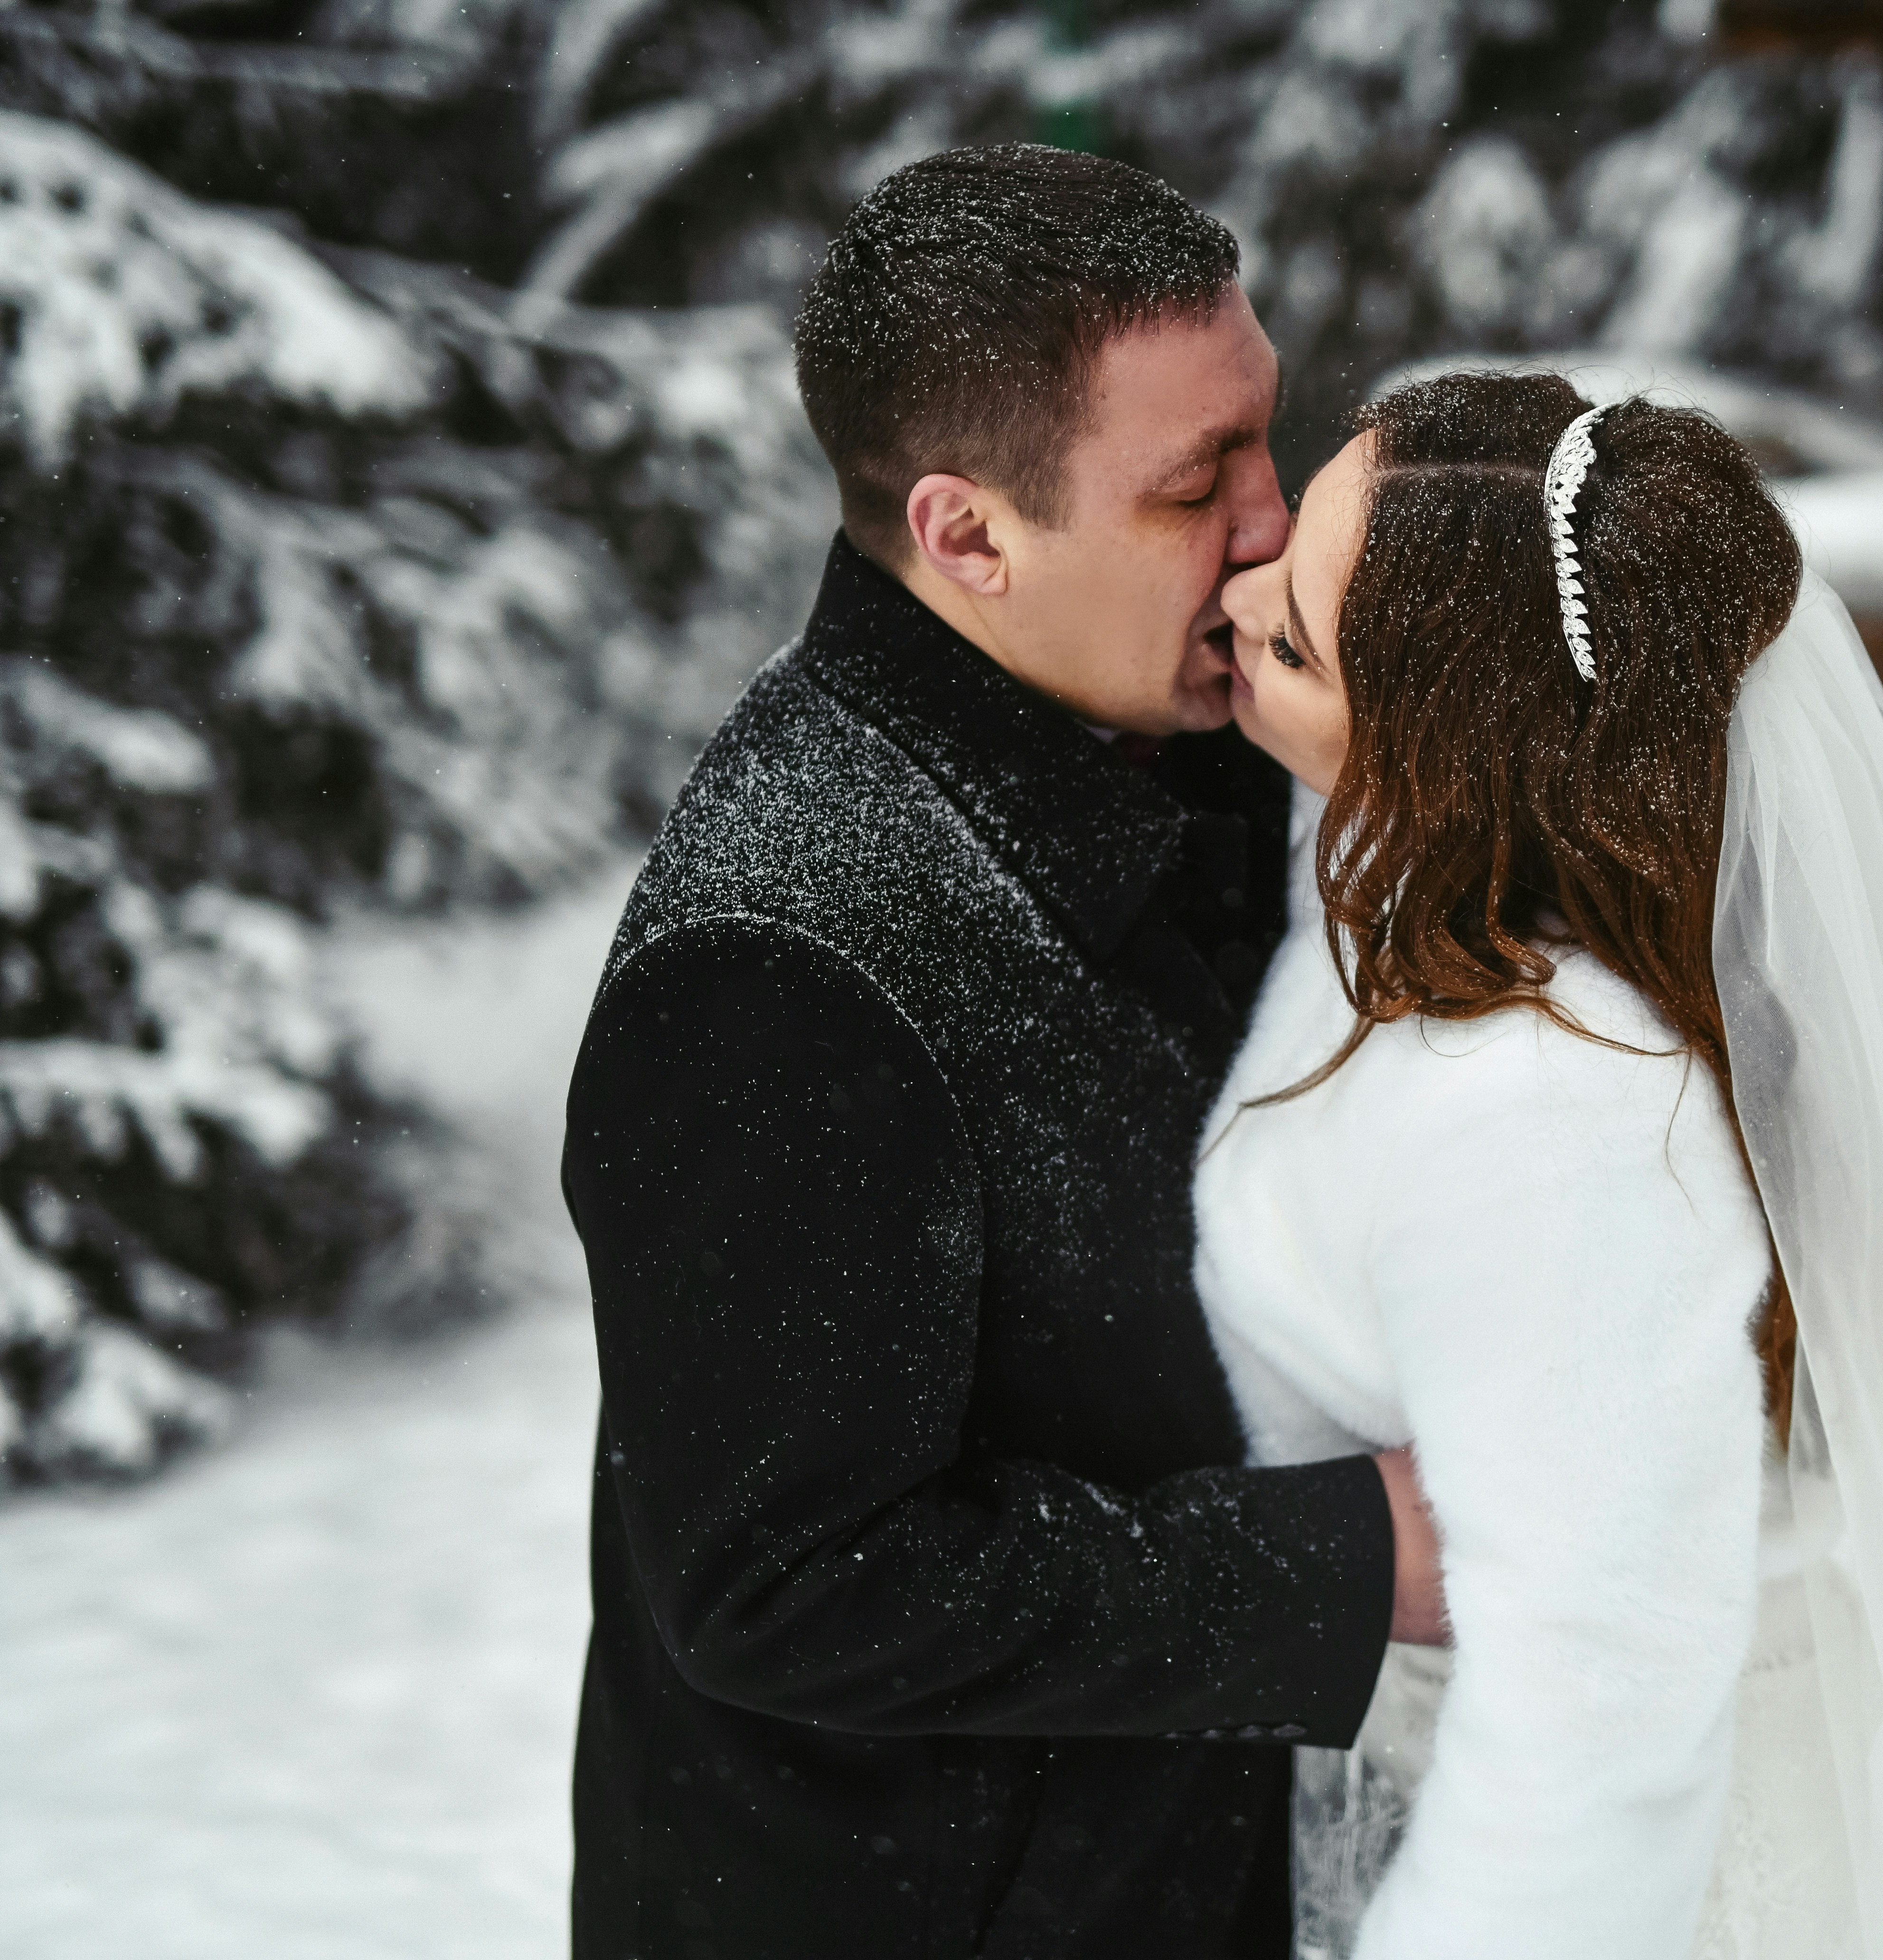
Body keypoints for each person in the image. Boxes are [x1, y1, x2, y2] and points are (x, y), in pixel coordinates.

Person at [558, 145, 1446, 1960]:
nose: (1273, 524)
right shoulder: (775, 966)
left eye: (1267, 438)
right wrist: (1344, 1563)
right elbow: (785, 1583)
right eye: (1200, 482)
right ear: (970, 536)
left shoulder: (1196, 721)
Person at [1196, 371, 1883, 1959]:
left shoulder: (1545, 1111)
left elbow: (1598, 1701)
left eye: (1298, 638)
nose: (1235, 597)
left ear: (1451, 760)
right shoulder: (1451, 920)